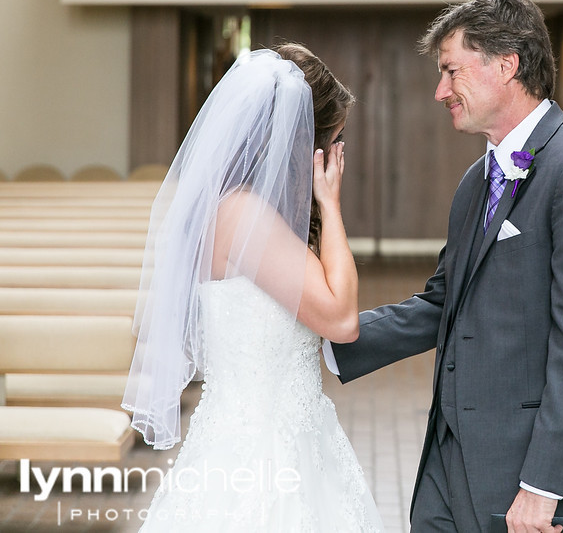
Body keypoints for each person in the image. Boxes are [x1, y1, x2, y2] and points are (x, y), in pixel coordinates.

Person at [328, 0, 563, 533]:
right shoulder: (476, 182)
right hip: (454, 463)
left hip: (540, 476)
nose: (440, 92)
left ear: (508, 65)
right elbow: (444, 303)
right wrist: (330, 334)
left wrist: (542, 486)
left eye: (451, 71)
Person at [122, 44, 384, 531]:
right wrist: (330, 205)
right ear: (300, 137)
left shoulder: (238, 210)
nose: (336, 153)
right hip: (265, 452)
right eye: (334, 137)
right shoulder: (244, 216)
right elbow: (342, 319)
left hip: (290, 433)